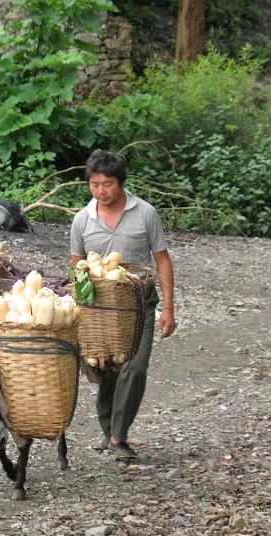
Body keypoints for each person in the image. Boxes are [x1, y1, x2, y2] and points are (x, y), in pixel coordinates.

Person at [70, 149, 176, 459]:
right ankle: (109, 431)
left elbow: (162, 261)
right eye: (94, 184)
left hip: (140, 303)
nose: (101, 191)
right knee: (107, 369)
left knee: (136, 367)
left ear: (121, 183)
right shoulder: (82, 220)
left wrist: (169, 308)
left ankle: (118, 436)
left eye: (108, 184)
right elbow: (77, 266)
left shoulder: (145, 213)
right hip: (100, 308)